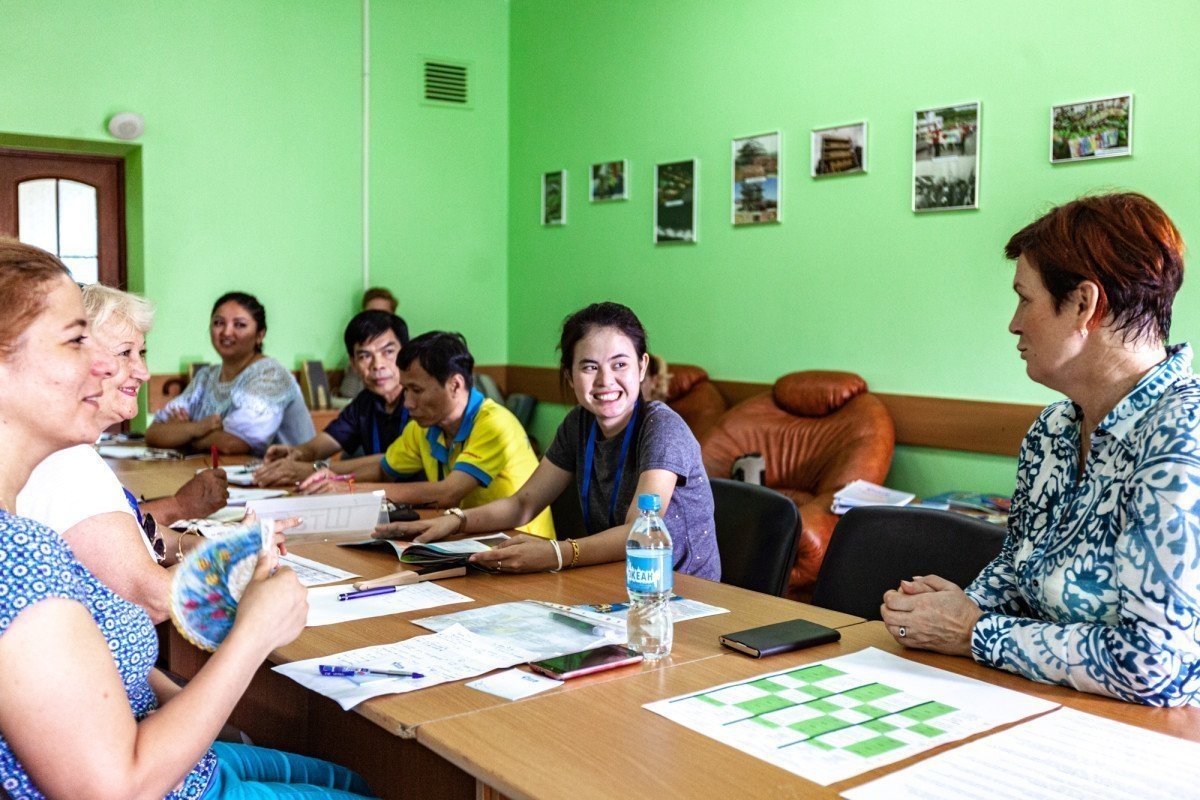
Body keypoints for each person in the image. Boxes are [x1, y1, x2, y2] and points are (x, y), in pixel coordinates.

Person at [0, 240, 375, 798]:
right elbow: (116, 789)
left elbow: (94, 657)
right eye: (78, 340)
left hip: (167, 753)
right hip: (164, 779)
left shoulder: (23, 532)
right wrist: (255, 630)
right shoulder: (18, 553)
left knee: (352, 779)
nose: (104, 366)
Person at [880, 192, 1200, 707]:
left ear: (1084, 304)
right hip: (1050, 708)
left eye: (1025, 299)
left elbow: (1154, 666)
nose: (1014, 322)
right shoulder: (1053, 429)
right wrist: (949, 608)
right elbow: (1019, 567)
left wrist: (974, 633)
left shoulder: (1184, 436)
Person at [376, 302, 721, 579]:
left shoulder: (662, 428)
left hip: (679, 595)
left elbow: (639, 530)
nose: (605, 380)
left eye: (619, 364)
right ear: (569, 375)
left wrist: (556, 553)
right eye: (588, 367)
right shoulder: (579, 424)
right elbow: (524, 503)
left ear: (642, 367)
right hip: (613, 582)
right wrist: (454, 521)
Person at [18, 284, 229, 622]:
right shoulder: (68, 462)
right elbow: (155, 599)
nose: (143, 371)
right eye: (125, 353)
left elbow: (121, 534)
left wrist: (210, 548)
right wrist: (243, 558)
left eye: (141, 353)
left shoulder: (66, 451)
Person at [300, 331, 555, 539]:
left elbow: (448, 493)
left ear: (454, 385)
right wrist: (333, 474)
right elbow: (383, 467)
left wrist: (350, 490)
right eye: (405, 390)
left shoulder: (494, 423)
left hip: (518, 544)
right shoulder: (425, 426)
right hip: (467, 540)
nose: (408, 403)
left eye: (416, 390)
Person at [145, 291, 315, 456]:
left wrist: (183, 434)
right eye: (219, 323)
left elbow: (232, 444)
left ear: (259, 335)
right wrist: (200, 427)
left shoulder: (271, 376)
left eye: (240, 325)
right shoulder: (206, 377)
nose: (226, 332)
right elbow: (154, 433)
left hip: (291, 480)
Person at [254, 310, 411, 486]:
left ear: (405, 354)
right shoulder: (365, 402)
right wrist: (297, 453)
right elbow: (324, 443)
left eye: (388, 352)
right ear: (353, 363)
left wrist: (311, 469)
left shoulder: (419, 402)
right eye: (365, 356)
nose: (378, 365)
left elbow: (392, 462)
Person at [339, 287, 399, 399]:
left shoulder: (410, 348)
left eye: (388, 352)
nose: (378, 365)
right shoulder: (359, 350)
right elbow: (348, 394)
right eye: (370, 314)